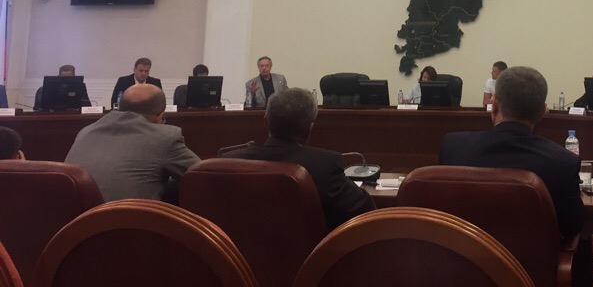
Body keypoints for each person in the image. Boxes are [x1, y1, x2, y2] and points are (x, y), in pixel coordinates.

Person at [440, 66, 584, 239]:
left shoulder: (453, 146)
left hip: (463, 254)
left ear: (494, 105)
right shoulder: (564, 162)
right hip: (529, 257)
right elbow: (572, 227)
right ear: (541, 112)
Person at [225, 87, 375, 228]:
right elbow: (366, 210)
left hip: (242, 248)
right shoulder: (324, 165)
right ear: (309, 129)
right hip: (316, 248)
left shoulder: (231, 162)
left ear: (265, 122)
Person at [65, 83, 199, 202]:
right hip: (126, 219)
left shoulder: (85, 131)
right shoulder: (166, 136)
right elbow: (202, 174)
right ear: (159, 116)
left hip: (73, 219)